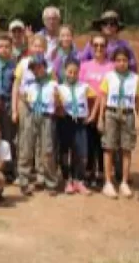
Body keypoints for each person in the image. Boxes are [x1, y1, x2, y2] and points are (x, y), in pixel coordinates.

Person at [99, 46, 139, 199]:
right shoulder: (109, 77)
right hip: (111, 113)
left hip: (128, 113)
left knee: (126, 148)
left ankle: (124, 181)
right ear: (114, 62)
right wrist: (101, 117)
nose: (121, 63)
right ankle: (108, 182)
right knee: (109, 148)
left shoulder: (135, 78)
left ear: (129, 61)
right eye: (118, 60)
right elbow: (103, 98)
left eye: (124, 60)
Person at [16, 55, 60, 196]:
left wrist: (57, 100)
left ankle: (50, 181)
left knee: (47, 149)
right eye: (34, 68)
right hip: (32, 114)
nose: (37, 70)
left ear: (45, 68)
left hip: (47, 118)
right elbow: (22, 96)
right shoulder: (30, 85)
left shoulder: (53, 84)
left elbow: (58, 103)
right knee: (27, 147)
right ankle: (24, 180)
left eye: (39, 67)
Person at [57, 58, 96, 195]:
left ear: (79, 72)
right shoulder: (59, 88)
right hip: (65, 122)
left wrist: (91, 115)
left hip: (80, 123)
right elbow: (57, 106)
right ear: (64, 71)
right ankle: (67, 180)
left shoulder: (84, 87)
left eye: (75, 72)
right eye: (69, 72)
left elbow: (95, 99)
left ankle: (79, 180)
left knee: (81, 152)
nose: (72, 75)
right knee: (65, 152)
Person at [79, 34, 113, 188]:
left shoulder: (111, 67)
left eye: (102, 45)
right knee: (89, 142)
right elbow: (79, 88)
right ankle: (88, 172)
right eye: (96, 45)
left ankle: (101, 173)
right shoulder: (85, 66)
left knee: (103, 143)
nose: (99, 48)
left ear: (106, 48)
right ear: (91, 47)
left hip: (105, 110)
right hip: (87, 109)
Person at [0, 35, 18, 181]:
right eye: (1, 46)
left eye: (7, 46)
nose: (4, 49)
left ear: (11, 49)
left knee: (8, 138)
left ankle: (9, 169)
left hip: (7, 104)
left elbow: (17, 86)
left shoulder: (15, 66)